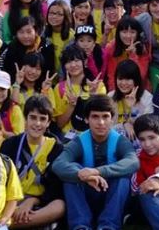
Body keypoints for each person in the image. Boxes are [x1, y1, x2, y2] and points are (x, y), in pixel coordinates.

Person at [51, 94, 139, 230]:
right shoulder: (79, 140)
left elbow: (133, 162)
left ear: (112, 119)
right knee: (72, 173)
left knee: (123, 178)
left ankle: (108, 226)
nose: (101, 122)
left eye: (105, 116)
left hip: (112, 199)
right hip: (86, 197)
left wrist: (97, 171)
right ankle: (81, 226)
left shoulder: (120, 140)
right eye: (95, 117)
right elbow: (58, 164)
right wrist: (81, 174)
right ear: (87, 119)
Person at [0, 95, 65, 228]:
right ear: (26, 119)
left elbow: (55, 189)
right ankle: (8, 222)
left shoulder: (57, 148)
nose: (37, 123)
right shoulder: (9, 144)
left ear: (48, 122)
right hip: (10, 200)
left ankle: (4, 225)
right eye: (33, 118)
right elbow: (0, 180)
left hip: (39, 204)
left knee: (60, 206)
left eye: (42, 119)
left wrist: (32, 201)